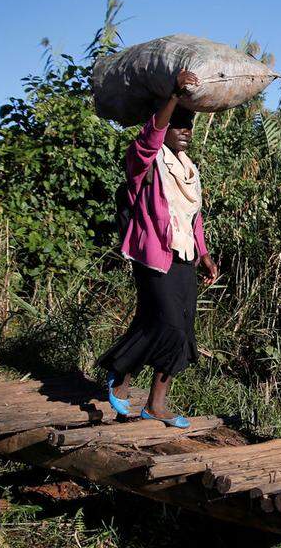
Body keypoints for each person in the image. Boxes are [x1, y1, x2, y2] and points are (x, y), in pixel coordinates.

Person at [99, 70, 220, 428]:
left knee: (182, 328)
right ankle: (120, 377)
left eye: (189, 125)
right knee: (166, 325)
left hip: (184, 257)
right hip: (154, 254)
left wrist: (205, 255)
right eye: (178, 124)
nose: (185, 131)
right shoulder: (146, 164)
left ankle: (156, 404)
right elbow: (149, 138)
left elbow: (192, 217)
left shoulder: (188, 171)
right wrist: (173, 96)